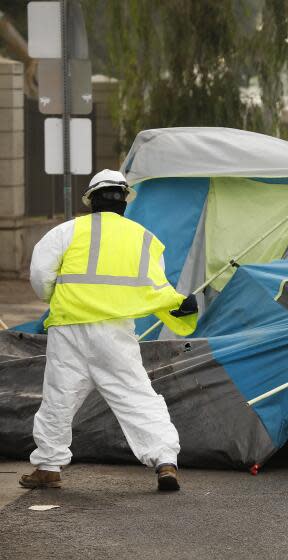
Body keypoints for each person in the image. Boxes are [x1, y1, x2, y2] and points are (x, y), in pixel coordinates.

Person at [20, 169, 198, 492]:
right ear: (124, 203)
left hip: (70, 329)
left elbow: (40, 273)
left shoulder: (66, 232)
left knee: (58, 398)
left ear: (91, 201)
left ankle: (48, 466)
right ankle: (165, 462)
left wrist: (54, 297)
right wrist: (180, 303)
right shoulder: (143, 239)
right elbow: (157, 287)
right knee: (137, 396)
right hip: (115, 334)